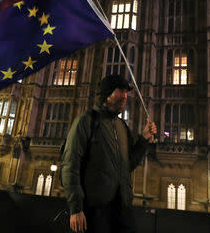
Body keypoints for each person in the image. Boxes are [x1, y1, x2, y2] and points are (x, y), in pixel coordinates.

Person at [61, 74, 157, 233]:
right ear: (106, 94)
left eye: (126, 92)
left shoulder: (122, 126)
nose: (125, 96)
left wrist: (143, 140)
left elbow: (127, 166)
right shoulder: (86, 121)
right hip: (95, 209)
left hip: (121, 208)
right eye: (120, 91)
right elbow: (70, 165)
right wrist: (76, 208)